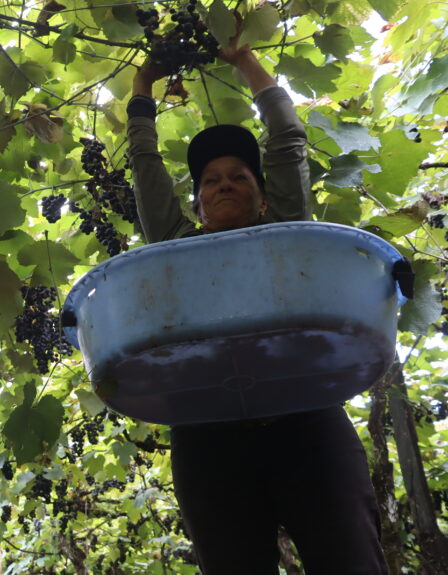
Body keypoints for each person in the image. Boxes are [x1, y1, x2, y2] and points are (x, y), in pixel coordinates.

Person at [126, 35, 389, 575]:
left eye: (239, 177)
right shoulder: (177, 247)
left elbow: (287, 138)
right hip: (207, 430)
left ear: (263, 195)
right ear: (197, 204)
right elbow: (144, 165)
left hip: (306, 417)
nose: (224, 186)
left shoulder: (285, 230)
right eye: (211, 181)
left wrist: (245, 61)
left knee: (351, 560)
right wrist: (141, 86)